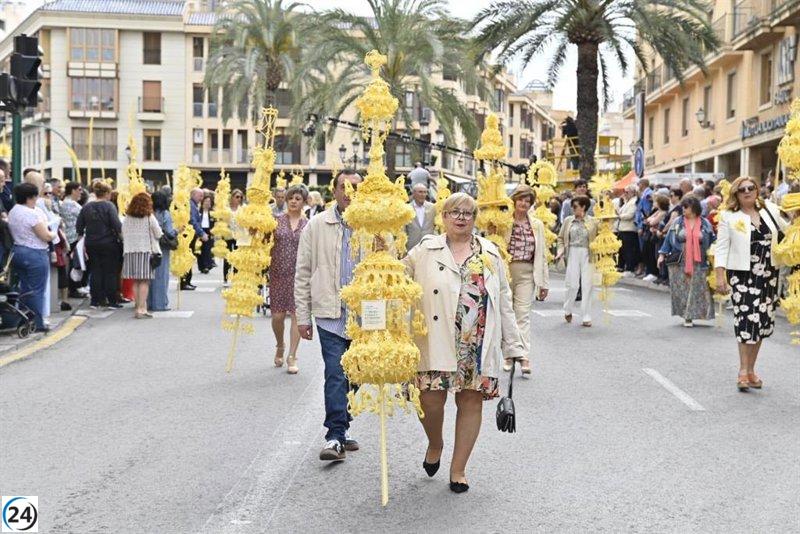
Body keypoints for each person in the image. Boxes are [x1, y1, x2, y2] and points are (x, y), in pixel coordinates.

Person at [401, 192, 524, 493]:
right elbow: (398, 278)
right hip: (434, 337)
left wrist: (514, 345)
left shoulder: (491, 253)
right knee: (430, 400)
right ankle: (435, 443)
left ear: (474, 219)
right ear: (442, 217)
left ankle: (458, 470)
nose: (461, 217)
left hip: (476, 340)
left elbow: (504, 300)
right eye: (454, 211)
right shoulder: (425, 249)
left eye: (467, 213)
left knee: (470, 400)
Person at [295, 169, 363, 461]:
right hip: (330, 314)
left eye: (356, 187)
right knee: (336, 373)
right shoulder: (317, 225)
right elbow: (303, 272)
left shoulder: (375, 227)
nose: (350, 192)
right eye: (344, 187)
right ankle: (335, 435)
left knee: (357, 375)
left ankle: (343, 425)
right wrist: (302, 315)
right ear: (334, 191)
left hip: (365, 318)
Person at [714, 176, 789, 391]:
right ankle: (742, 370)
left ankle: (751, 370)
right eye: (742, 189)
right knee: (747, 321)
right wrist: (720, 276)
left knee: (762, 323)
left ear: (757, 191)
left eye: (751, 188)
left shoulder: (770, 210)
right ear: (736, 194)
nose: (747, 191)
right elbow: (721, 248)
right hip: (743, 276)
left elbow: (789, 229)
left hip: (769, 274)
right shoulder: (729, 216)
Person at [504, 184, 548, 374]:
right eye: (521, 199)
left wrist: (544, 283)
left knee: (523, 314)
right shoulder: (503, 221)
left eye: (527, 201)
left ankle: (523, 356)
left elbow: (542, 254)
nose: (523, 203)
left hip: (527, 272)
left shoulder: (537, 225)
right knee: (507, 314)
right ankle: (508, 355)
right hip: (506, 271)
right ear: (514, 200)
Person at [658, 196, 716, 327]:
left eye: (686, 207)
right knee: (683, 289)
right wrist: (662, 255)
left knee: (697, 289)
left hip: (700, 261)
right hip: (680, 262)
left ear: (694, 208)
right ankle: (687, 316)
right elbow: (668, 240)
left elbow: (713, 240)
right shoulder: (678, 222)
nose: (683, 209)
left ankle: (692, 314)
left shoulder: (705, 223)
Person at [270, 185, 308, 374]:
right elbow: (263, 241)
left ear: (304, 202)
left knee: (296, 315)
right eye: (290, 198)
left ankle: (292, 355)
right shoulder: (275, 221)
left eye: (298, 198)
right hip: (278, 273)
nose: (293, 201)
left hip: (300, 277)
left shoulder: (308, 224)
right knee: (277, 316)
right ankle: (280, 344)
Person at [8, 183, 55, 332]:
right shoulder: (32, 214)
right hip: (35, 253)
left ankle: (24, 319)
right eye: (35, 196)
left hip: (18, 251)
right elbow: (45, 236)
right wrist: (53, 232)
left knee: (25, 289)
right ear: (30, 197)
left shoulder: (14, 211)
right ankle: (38, 323)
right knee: (36, 290)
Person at [76, 181, 123, 310]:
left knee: (95, 271)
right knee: (110, 272)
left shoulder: (87, 207)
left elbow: (79, 226)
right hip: (109, 243)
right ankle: (111, 300)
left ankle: (95, 301)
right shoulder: (109, 206)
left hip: (91, 243)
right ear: (107, 193)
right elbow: (117, 225)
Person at [557, 196, 598, 327]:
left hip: (588, 253)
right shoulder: (569, 221)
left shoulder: (593, 222)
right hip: (573, 252)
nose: (572, 209)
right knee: (572, 284)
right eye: (572, 207)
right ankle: (568, 308)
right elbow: (561, 238)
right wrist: (560, 251)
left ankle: (586, 315)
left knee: (588, 285)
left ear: (584, 207)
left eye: (575, 207)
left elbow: (602, 236)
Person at [121, 193, 162, 319]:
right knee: (144, 281)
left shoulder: (127, 218)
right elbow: (158, 234)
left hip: (130, 252)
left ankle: (137, 307)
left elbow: (122, 233)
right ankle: (141, 308)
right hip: (145, 252)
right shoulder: (149, 217)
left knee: (135, 281)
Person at [147, 191, 177, 312]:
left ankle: (149, 302)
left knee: (150, 275)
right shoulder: (165, 214)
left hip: (149, 246)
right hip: (162, 248)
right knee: (162, 275)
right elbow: (169, 232)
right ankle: (160, 304)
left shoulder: (148, 213)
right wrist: (177, 231)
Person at [180, 188, 206, 290]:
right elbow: (193, 221)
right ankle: (184, 282)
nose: (201, 198)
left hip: (191, 236)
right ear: (194, 195)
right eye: (200, 196)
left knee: (189, 258)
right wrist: (201, 233)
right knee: (187, 258)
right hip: (188, 236)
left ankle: (187, 281)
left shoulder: (194, 205)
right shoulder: (191, 205)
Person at [405, 182, 436, 251]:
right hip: (412, 247)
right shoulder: (406, 208)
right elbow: (403, 230)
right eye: (420, 192)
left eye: (425, 192)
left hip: (429, 246)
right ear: (414, 193)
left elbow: (436, 225)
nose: (423, 194)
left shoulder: (433, 207)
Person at [617, 185, 639, 276]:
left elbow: (630, 215)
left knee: (629, 250)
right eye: (624, 192)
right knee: (623, 249)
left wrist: (619, 216)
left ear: (633, 192)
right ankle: (623, 267)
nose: (625, 194)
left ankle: (630, 268)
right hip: (623, 228)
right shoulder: (627, 202)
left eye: (627, 192)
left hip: (629, 229)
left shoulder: (634, 202)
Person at [223, 189, 244, 286]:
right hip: (228, 235)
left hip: (239, 236)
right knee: (227, 258)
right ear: (232, 197)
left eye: (240, 197)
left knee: (237, 258)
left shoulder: (243, 208)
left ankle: (236, 278)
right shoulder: (226, 208)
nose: (239, 199)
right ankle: (226, 279)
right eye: (237, 197)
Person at [198, 194, 215, 273]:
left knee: (207, 249)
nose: (207, 203)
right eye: (206, 201)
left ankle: (207, 265)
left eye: (209, 201)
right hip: (200, 230)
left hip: (209, 231)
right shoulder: (199, 211)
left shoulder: (212, 213)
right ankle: (202, 266)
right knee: (200, 249)